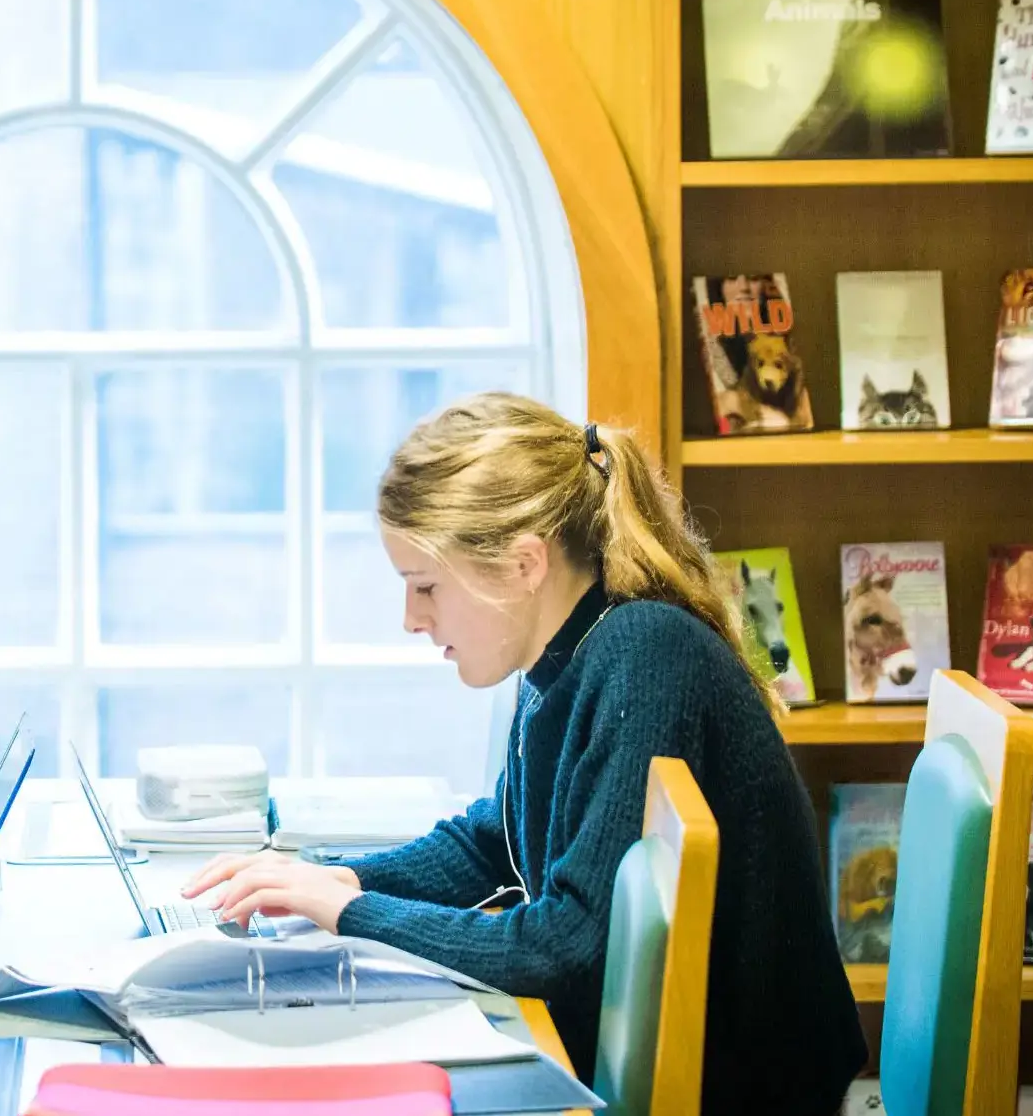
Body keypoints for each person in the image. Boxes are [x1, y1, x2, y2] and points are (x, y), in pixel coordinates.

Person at [180, 393, 865, 1114]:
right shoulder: (570, 654)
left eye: (425, 586)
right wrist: (325, 883)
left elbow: (565, 945)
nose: (412, 619)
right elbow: (496, 841)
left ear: (524, 564)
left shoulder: (645, 657)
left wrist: (353, 912)